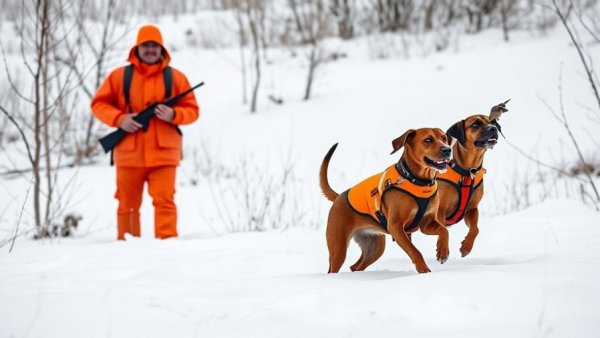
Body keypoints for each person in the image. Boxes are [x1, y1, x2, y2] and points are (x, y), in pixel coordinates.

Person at [91, 25, 200, 240]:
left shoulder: (176, 78)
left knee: (165, 202)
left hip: (164, 155)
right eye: (145, 45)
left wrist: (173, 114)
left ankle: (167, 247)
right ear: (137, 48)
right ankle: (128, 251)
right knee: (127, 206)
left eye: (155, 46)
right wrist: (120, 119)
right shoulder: (119, 77)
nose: (150, 50)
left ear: (162, 49)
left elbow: (193, 111)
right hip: (129, 154)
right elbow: (99, 104)